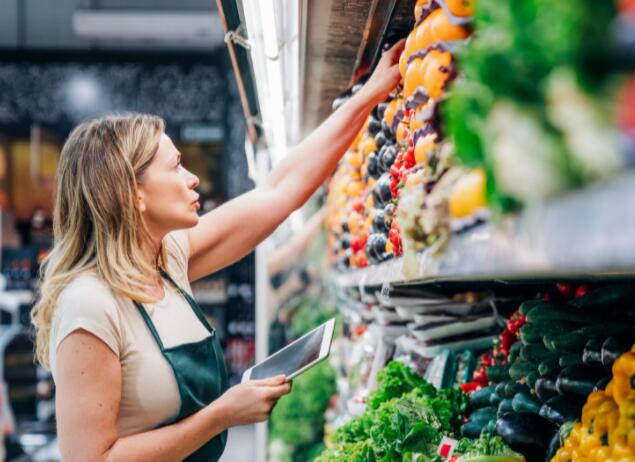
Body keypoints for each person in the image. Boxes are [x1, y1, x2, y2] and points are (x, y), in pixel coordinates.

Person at [30, 40, 404, 461]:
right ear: (133, 194)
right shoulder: (90, 305)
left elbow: (279, 190)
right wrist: (220, 415)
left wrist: (371, 94)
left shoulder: (167, 259)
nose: (192, 179)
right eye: (174, 166)